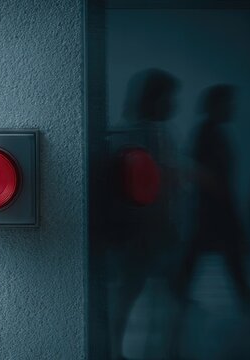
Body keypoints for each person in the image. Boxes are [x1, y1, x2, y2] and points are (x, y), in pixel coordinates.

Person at [104, 69, 181, 359]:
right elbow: (140, 189)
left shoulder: (153, 134)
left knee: (160, 294)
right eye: (168, 97)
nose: (173, 104)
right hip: (141, 234)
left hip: (154, 234)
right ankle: (115, 351)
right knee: (128, 295)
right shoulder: (133, 136)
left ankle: (163, 350)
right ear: (153, 99)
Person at [173, 85, 250, 306]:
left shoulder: (213, 132)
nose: (232, 108)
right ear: (215, 106)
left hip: (213, 203)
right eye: (227, 104)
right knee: (217, 249)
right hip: (212, 204)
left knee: (206, 249)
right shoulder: (208, 133)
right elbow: (200, 170)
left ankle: (179, 290)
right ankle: (244, 295)